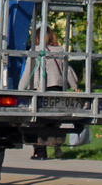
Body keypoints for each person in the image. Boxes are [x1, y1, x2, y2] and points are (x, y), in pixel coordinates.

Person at [19, 26, 78, 160]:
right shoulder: (60, 50)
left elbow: (29, 71)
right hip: (57, 88)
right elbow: (67, 70)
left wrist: (20, 89)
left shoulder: (36, 51)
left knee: (37, 121)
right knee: (53, 120)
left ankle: (39, 152)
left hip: (41, 89)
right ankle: (56, 146)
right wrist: (74, 86)